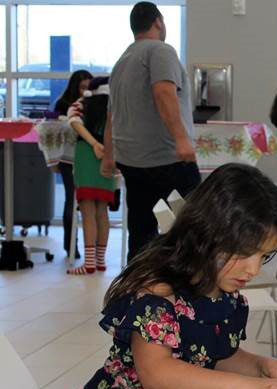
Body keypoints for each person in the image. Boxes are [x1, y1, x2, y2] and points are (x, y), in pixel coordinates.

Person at [53, 164, 277, 389]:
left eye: (263, 256)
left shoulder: (221, 290)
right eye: (242, 252)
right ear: (207, 233)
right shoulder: (158, 292)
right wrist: (246, 386)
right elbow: (157, 372)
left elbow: (212, 355)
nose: (253, 269)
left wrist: (259, 366)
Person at [101, 1, 201, 261]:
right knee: (194, 227)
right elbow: (164, 93)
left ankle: (137, 291)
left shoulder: (122, 61)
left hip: (132, 161)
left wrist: (109, 155)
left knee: (141, 231)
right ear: (158, 21)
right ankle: (192, 289)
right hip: (167, 159)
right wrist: (181, 140)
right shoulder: (160, 51)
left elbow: (112, 113)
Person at [66, 77, 115, 275]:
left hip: (86, 155)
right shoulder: (115, 105)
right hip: (108, 156)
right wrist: (105, 148)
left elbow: (73, 120)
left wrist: (93, 144)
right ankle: (100, 261)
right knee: (102, 211)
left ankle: (89, 263)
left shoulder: (82, 104)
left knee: (87, 212)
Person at [53, 69, 93, 259]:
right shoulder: (63, 105)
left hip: (87, 158)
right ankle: (71, 245)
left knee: (88, 203)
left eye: (88, 87)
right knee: (71, 201)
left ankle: (87, 248)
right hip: (68, 158)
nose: (85, 91)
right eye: (82, 87)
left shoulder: (93, 105)